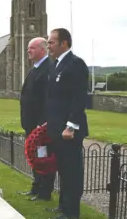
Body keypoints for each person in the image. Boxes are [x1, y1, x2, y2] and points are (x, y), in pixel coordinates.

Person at [46, 28, 89, 219]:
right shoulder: (56, 65)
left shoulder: (76, 64)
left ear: (64, 43)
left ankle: (72, 213)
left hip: (68, 131)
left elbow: (78, 99)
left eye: (51, 42)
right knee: (62, 169)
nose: (49, 46)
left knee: (72, 173)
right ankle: (63, 207)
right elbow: (55, 99)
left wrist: (70, 126)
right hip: (57, 128)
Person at [18, 37, 55, 201]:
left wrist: (42, 124)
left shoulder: (47, 69)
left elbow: (48, 99)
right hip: (30, 124)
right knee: (34, 156)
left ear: (42, 49)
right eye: (28, 48)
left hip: (40, 126)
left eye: (32, 48)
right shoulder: (35, 68)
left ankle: (44, 192)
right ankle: (36, 187)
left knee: (43, 158)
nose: (28, 51)